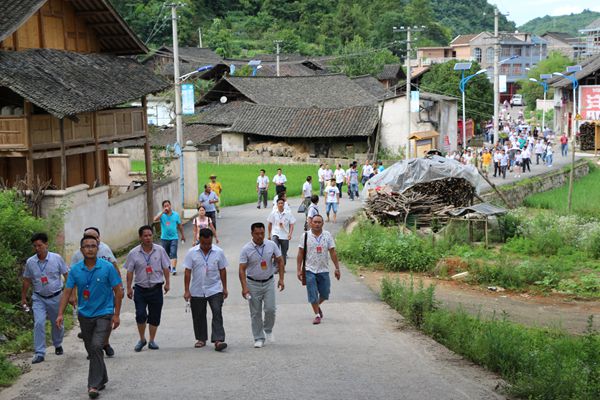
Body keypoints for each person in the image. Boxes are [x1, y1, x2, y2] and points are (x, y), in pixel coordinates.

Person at [56, 235, 122, 399]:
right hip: (84, 314)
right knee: (93, 350)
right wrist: (59, 314)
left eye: (93, 246)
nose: (90, 249)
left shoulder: (107, 267)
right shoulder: (76, 270)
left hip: (104, 313)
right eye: (87, 246)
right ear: (81, 250)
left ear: (97, 249)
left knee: (96, 346)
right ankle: (102, 377)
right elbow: (67, 292)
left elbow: (118, 291)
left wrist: (116, 314)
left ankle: (93, 385)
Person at [71, 227, 121, 356]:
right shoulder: (77, 255)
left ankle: (104, 343)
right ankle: (95, 347)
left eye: (95, 238)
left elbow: (114, 265)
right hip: (87, 299)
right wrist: (72, 294)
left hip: (104, 294)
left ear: (99, 239)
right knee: (91, 326)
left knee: (105, 321)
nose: (91, 246)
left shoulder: (105, 250)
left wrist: (120, 286)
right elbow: (73, 276)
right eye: (88, 237)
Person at [21, 232, 69, 364]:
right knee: (39, 323)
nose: (37, 248)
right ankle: (40, 352)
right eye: (35, 246)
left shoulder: (57, 258)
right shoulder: (31, 262)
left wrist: (70, 295)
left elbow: (66, 275)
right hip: (39, 297)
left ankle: (57, 344)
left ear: (46, 244)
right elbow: (26, 280)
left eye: (40, 245)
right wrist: (23, 297)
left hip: (56, 296)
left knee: (57, 323)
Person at [124, 225, 170, 352]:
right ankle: (142, 339)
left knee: (155, 316)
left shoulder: (160, 250)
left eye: (150, 235)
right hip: (140, 288)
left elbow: (166, 267)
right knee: (140, 314)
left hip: (156, 288)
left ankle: (151, 340)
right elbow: (129, 271)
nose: (148, 238)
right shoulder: (134, 253)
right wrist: (128, 288)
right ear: (140, 237)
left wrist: (167, 283)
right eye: (145, 235)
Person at [238, 223, 284, 348]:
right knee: (255, 312)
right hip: (253, 283)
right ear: (252, 234)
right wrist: (244, 288)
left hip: (268, 282)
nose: (260, 236)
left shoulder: (271, 245)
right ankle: (258, 337)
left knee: (270, 309)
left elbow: (280, 260)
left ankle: (268, 329)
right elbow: (241, 269)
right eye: (257, 233)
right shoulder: (246, 249)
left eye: (262, 233)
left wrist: (281, 279)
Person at [183, 228, 228, 351]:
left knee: (217, 312)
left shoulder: (218, 252)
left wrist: (225, 288)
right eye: (204, 243)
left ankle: (218, 340)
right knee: (198, 315)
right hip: (197, 289)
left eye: (209, 243)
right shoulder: (191, 252)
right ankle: (201, 338)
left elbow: (223, 270)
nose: (207, 246)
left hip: (215, 288)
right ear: (199, 240)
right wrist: (187, 290)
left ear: (212, 240)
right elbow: (187, 271)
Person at [296, 215, 341, 325]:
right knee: (312, 293)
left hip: (323, 269)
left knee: (325, 293)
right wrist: (298, 269)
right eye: (315, 222)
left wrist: (337, 268)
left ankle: (317, 305)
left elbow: (332, 252)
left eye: (319, 222)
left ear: (322, 223)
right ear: (311, 223)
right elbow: (300, 253)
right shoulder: (305, 236)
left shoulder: (327, 235)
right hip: (309, 269)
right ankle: (317, 315)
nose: (317, 224)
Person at [154, 200, 185, 275]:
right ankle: (168, 266)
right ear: (163, 207)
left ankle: (174, 268)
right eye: (165, 206)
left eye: (168, 205)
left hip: (174, 237)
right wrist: (162, 212)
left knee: (173, 253)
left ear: (170, 205)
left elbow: (180, 225)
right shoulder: (161, 215)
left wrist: (183, 235)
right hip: (164, 238)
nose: (167, 207)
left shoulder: (176, 215)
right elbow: (155, 219)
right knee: (166, 254)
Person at [267, 198, 296, 268]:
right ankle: (276, 266)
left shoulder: (288, 214)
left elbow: (292, 224)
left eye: (282, 203)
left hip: (285, 235)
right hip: (275, 234)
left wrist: (290, 234)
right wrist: (269, 234)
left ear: (284, 204)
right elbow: (270, 223)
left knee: (284, 252)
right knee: (275, 249)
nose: (280, 205)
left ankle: (282, 266)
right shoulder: (273, 213)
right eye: (279, 203)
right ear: (277, 204)